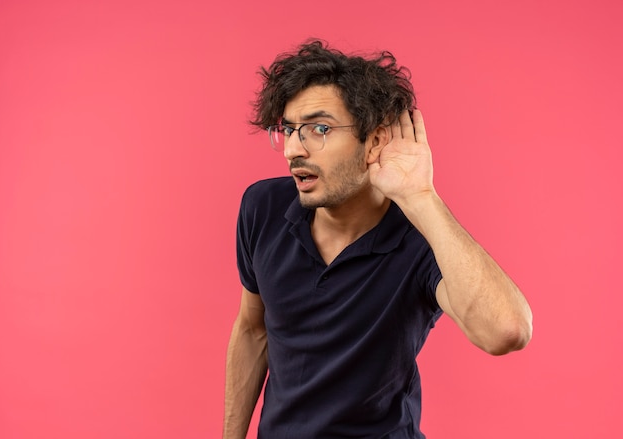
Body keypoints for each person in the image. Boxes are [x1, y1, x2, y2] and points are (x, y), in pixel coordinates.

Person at [223, 40, 533, 439]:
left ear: (375, 140)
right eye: (287, 129)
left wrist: (421, 197)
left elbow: (506, 331)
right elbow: (253, 329)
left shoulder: (422, 239)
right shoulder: (262, 207)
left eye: (319, 129)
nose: (293, 150)